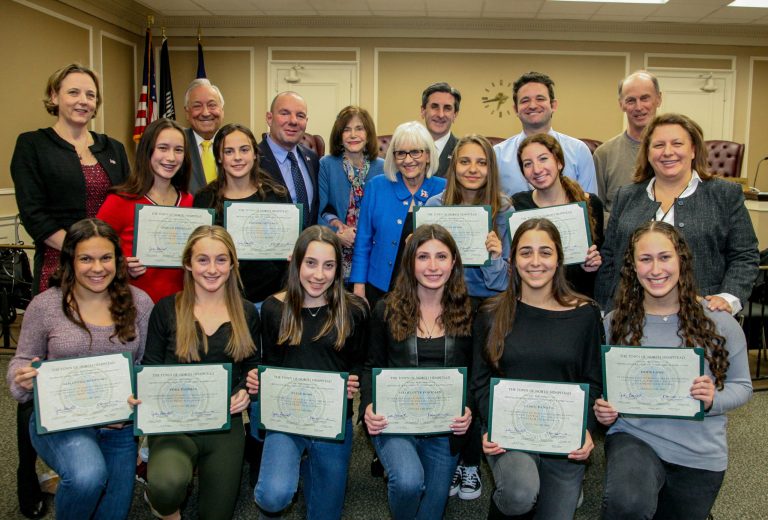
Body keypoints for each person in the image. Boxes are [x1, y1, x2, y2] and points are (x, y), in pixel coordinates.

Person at [10, 63, 130, 519]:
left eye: (91, 94)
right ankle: (29, 482)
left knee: (103, 357)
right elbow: (34, 214)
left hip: (107, 271)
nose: (83, 101)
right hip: (59, 268)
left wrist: (108, 259)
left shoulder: (112, 148)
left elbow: (124, 207)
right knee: (45, 372)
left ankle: (101, 436)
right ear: (54, 95)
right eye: (74, 92)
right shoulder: (33, 145)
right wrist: (88, 254)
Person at [594, 221, 752, 520]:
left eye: (665, 257)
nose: (656, 269)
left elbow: (743, 386)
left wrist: (712, 400)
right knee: (627, 504)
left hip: (699, 450)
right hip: (635, 436)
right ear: (633, 266)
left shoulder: (719, 322)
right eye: (645, 259)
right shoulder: (614, 323)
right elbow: (601, 389)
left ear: (681, 259)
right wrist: (601, 410)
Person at [7, 218, 153, 520]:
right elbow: (21, 361)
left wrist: (134, 402)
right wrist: (23, 379)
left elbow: (145, 367)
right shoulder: (45, 305)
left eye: (105, 258)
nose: (97, 268)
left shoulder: (140, 303)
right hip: (61, 423)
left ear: (118, 260)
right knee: (88, 476)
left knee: (111, 515)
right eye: (86, 258)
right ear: (70, 261)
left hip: (119, 428)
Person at [472, 218, 603, 520]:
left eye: (545, 253)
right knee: (519, 494)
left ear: (559, 259)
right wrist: (491, 424)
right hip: (509, 433)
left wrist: (586, 430)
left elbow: (594, 382)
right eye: (525, 252)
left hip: (564, 435)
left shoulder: (585, 314)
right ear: (513, 259)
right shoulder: (491, 313)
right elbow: (480, 381)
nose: (535, 262)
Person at [140, 225, 260, 520]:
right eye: (202, 260)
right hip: (174, 424)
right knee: (167, 486)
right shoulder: (167, 309)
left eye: (221, 260)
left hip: (224, 423)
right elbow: (150, 369)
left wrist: (248, 387)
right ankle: (161, 502)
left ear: (233, 264)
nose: (212, 269)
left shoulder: (246, 313)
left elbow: (251, 366)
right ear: (187, 264)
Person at [250, 225, 368, 519]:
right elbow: (270, 363)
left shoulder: (353, 310)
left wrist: (355, 381)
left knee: (325, 514)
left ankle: (306, 464)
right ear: (296, 263)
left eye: (329, 266)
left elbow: (360, 363)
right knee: (272, 496)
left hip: (332, 422)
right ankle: (291, 462)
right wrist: (258, 377)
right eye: (311, 264)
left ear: (338, 269)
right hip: (286, 418)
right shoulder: (274, 308)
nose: (319, 275)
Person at [362, 224, 474, 520]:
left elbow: (477, 374)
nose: (433, 266)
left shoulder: (471, 313)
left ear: (454, 263)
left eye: (441, 256)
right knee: (409, 482)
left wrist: (470, 410)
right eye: (423, 257)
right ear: (410, 263)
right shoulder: (385, 309)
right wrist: (368, 406)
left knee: (430, 513)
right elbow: (371, 365)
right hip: (396, 421)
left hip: (445, 426)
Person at [595, 113, 759, 315]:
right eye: (658, 145)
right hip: (628, 315)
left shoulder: (724, 195)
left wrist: (729, 297)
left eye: (677, 144)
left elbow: (744, 255)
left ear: (693, 150)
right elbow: (609, 257)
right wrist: (603, 309)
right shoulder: (626, 196)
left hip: (704, 316)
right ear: (647, 152)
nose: (668, 152)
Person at [426, 133, 511, 500]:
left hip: (488, 307)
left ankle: (471, 464)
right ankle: (443, 459)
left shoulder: (504, 209)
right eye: (464, 161)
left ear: (489, 168)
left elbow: (507, 278)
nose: (472, 169)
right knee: (447, 382)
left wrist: (494, 255)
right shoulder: (433, 205)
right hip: (444, 303)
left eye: (480, 162)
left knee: (477, 385)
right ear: (453, 166)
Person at [350, 121, 447, 307]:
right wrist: (359, 287)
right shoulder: (377, 186)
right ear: (393, 158)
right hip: (379, 287)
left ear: (428, 155)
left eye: (416, 152)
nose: (408, 160)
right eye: (401, 153)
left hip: (428, 291)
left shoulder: (443, 188)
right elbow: (362, 241)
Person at [194, 123, 291, 304]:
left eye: (244, 150)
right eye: (229, 151)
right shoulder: (204, 199)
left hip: (271, 300)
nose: (237, 157)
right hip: (221, 300)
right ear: (220, 158)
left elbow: (293, 247)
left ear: (255, 154)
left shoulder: (277, 195)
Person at [97, 118, 193, 303]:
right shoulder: (120, 200)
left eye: (178, 150)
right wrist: (121, 264)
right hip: (132, 308)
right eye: (163, 148)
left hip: (181, 306)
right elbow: (93, 250)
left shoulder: (190, 201)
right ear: (148, 150)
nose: (171, 157)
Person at [514, 133, 604, 297]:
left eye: (543, 159)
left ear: (559, 162)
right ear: (523, 172)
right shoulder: (517, 206)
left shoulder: (591, 204)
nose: (537, 169)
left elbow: (603, 263)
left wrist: (594, 264)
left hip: (578, 298)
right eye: (528, 164)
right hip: (533, 298)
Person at [494, 71, 597, 197]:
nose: (532, 105)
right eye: (525, 100)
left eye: (540, 99)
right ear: (516, 109)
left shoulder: (579, 151)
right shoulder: (497, 155)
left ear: (553, 105)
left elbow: (590, 206)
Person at [318, 106, 385, 280]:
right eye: (346, 130)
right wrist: (337, 234)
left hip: (374, 250)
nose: (353, 135)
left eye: (359, 128)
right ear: (339, 136)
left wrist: (363, 235)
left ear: (369, 133)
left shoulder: (383, 167)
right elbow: (321, 209)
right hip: (335, 251)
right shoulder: (326, 164)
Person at [594, 71, 663, 221]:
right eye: (631, 100)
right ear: (621, 104)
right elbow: (596, 210)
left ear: (658, 99)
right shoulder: (604, 154)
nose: (638, 107)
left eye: (645, 98)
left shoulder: (676, 154)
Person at [258, 91, 320, 227]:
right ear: (269, 118)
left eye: (300, 115)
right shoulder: (252, 160)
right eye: (284, 113)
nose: (293, 121)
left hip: (309, 246)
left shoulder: (313, 159)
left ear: (306, 122)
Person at [183, 78, 225, 193]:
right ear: (187, 113)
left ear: (222, 110)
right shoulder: (177, 145)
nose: (206, 113)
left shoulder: (235, 144)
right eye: (197, 106)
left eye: (212, 105)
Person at [420, 82, 462, 177]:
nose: (441, 115)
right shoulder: (406, 148)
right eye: (434, 107)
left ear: (455, 115)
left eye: (447, 108)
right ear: (423, 111)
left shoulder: (463, 151)